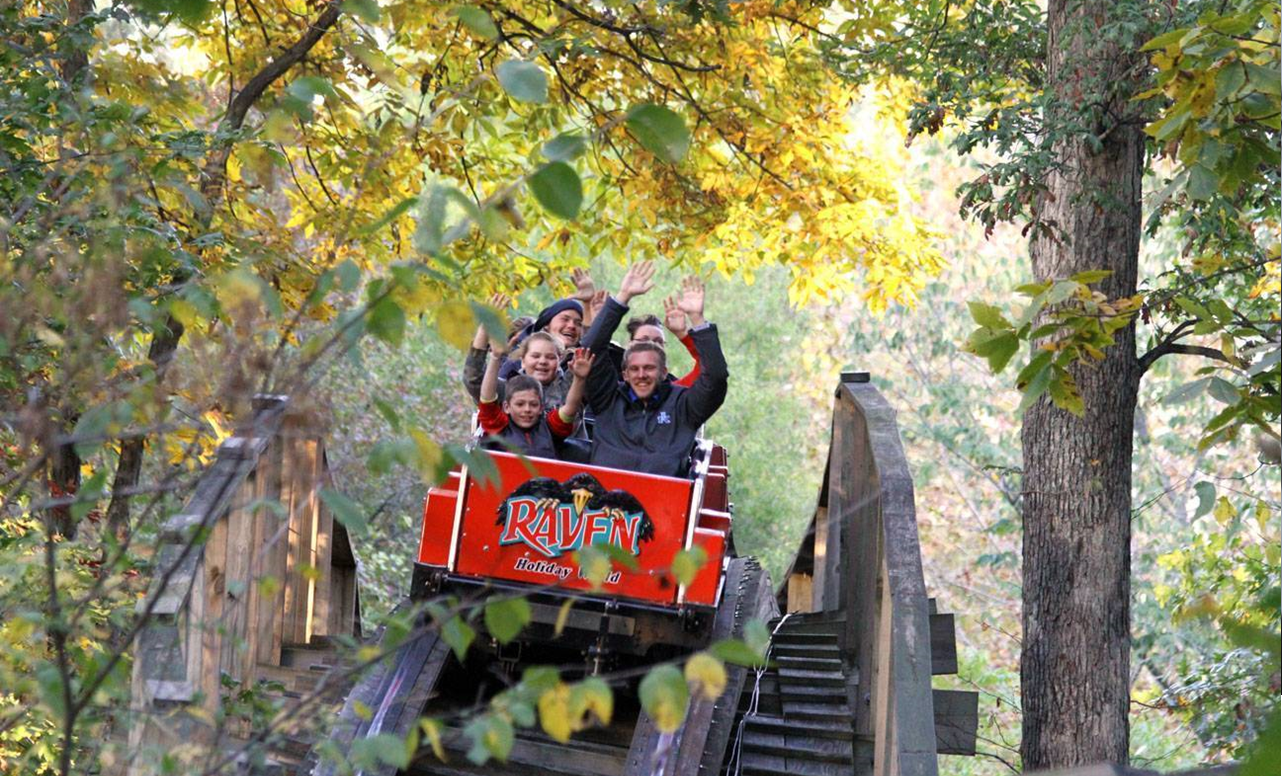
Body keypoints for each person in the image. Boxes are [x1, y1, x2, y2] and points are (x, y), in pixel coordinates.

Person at [580, 263, 729, 477]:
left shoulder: (683, 405)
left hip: (664, 496)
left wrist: (697, 320)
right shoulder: (608, 399)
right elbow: (590, 349)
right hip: (605, 495)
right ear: (625, 373)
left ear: (663, 371)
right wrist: (622, 297)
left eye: (649, 368)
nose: (641, 375)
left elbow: (715, 376)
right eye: (635, 369)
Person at [476, 331, 594, 460]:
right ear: (506, 407)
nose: (527, 409)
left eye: (533, 404)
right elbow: (487, 399)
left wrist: (579, 379)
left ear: (541, 408)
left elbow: (570, 409)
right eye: (520, 404)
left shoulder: (550, 428)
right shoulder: (498, 426)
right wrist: (495, 357)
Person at [623, 284, 706, 387]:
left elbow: (709, 368)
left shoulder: (677, 393)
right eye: (644, 341)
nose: (651, 346)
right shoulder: (612, 390)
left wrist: (684, 333)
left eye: (658, 342)